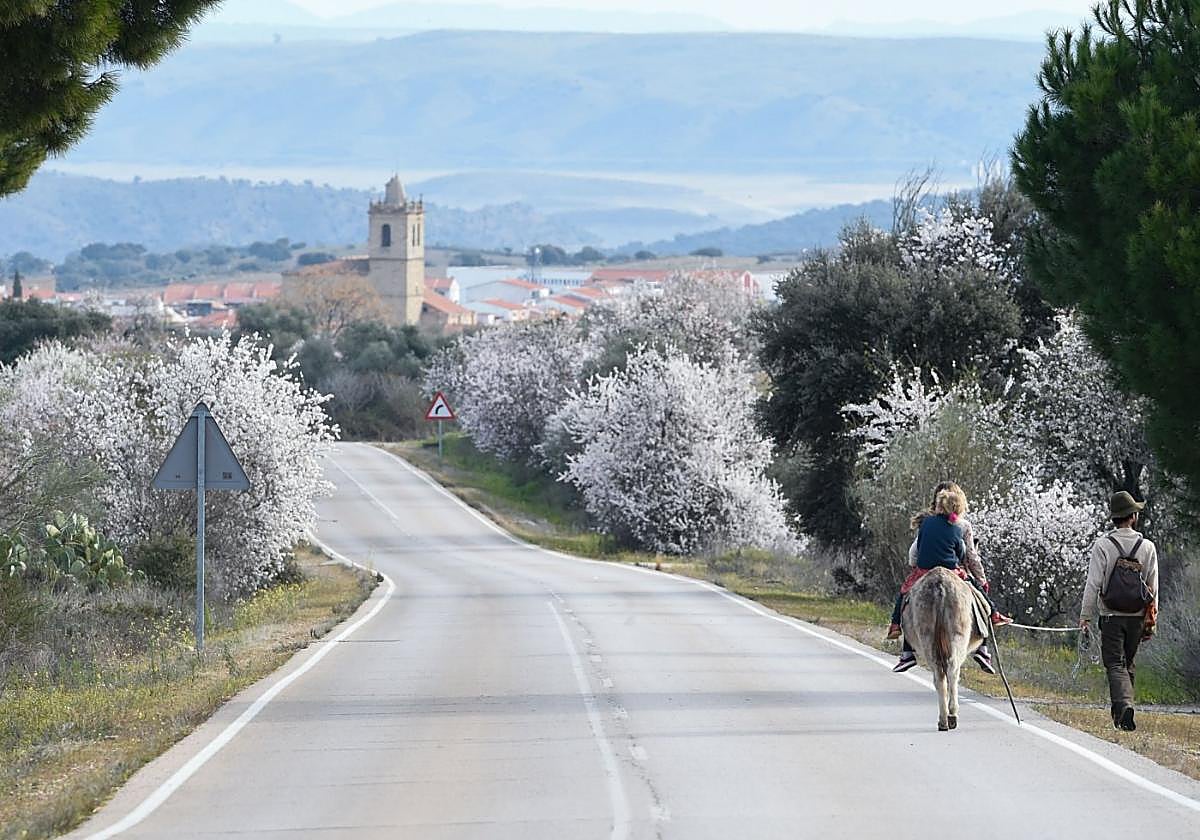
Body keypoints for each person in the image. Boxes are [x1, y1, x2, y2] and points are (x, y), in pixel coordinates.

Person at [888, 482, 1010, 674]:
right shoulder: (961, 526)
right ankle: (983, 646)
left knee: (905, 596)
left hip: (924, 571)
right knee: (979, 597)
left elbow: (913, 553)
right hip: (953, 571)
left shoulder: (925, 522)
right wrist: (982, 580)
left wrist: (918, 563)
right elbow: (969, 555)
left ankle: (904, 645)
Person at [1079, 491, 1159, 732]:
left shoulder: (1103, 545)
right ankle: (1123, 714)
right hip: (1136, 615)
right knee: (1129, 663)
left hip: (1111, 615)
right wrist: (1152, 619)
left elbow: (1093, 584)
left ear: (1114, 517)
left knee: (1114, 663)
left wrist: (1085, 616)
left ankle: (1124, 707)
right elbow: (1153, 587)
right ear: (1133, 516)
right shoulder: (1147, 547)